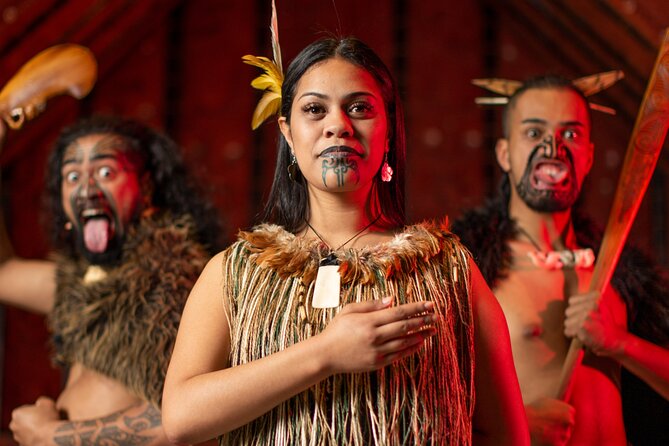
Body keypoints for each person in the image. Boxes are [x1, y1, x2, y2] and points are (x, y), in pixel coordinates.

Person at [162, 36, 529, 445]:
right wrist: (325, 354)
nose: (338, 124)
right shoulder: (234, 273)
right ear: (287, 131)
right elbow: (180, 418)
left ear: (388, 130)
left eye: (359, 108)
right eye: (315, 109)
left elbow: (506, 435)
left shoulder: (448, 270)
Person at [452, 74, 669, 445]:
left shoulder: (619, 274)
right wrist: (509, 430)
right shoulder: (471, 272)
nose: (552, 147)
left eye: (570, 135)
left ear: (589, 156)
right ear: (504, 153)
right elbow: (427, 402)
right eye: (534, 133)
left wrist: (619, 343)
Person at [0, 116, 221, 445]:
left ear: (146, 188)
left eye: (105, 173)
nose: (87, 189)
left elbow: (184, 416)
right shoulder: (80, 283)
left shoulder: (178, 283)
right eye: (72, 176)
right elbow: (3, 271)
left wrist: (49, 435)